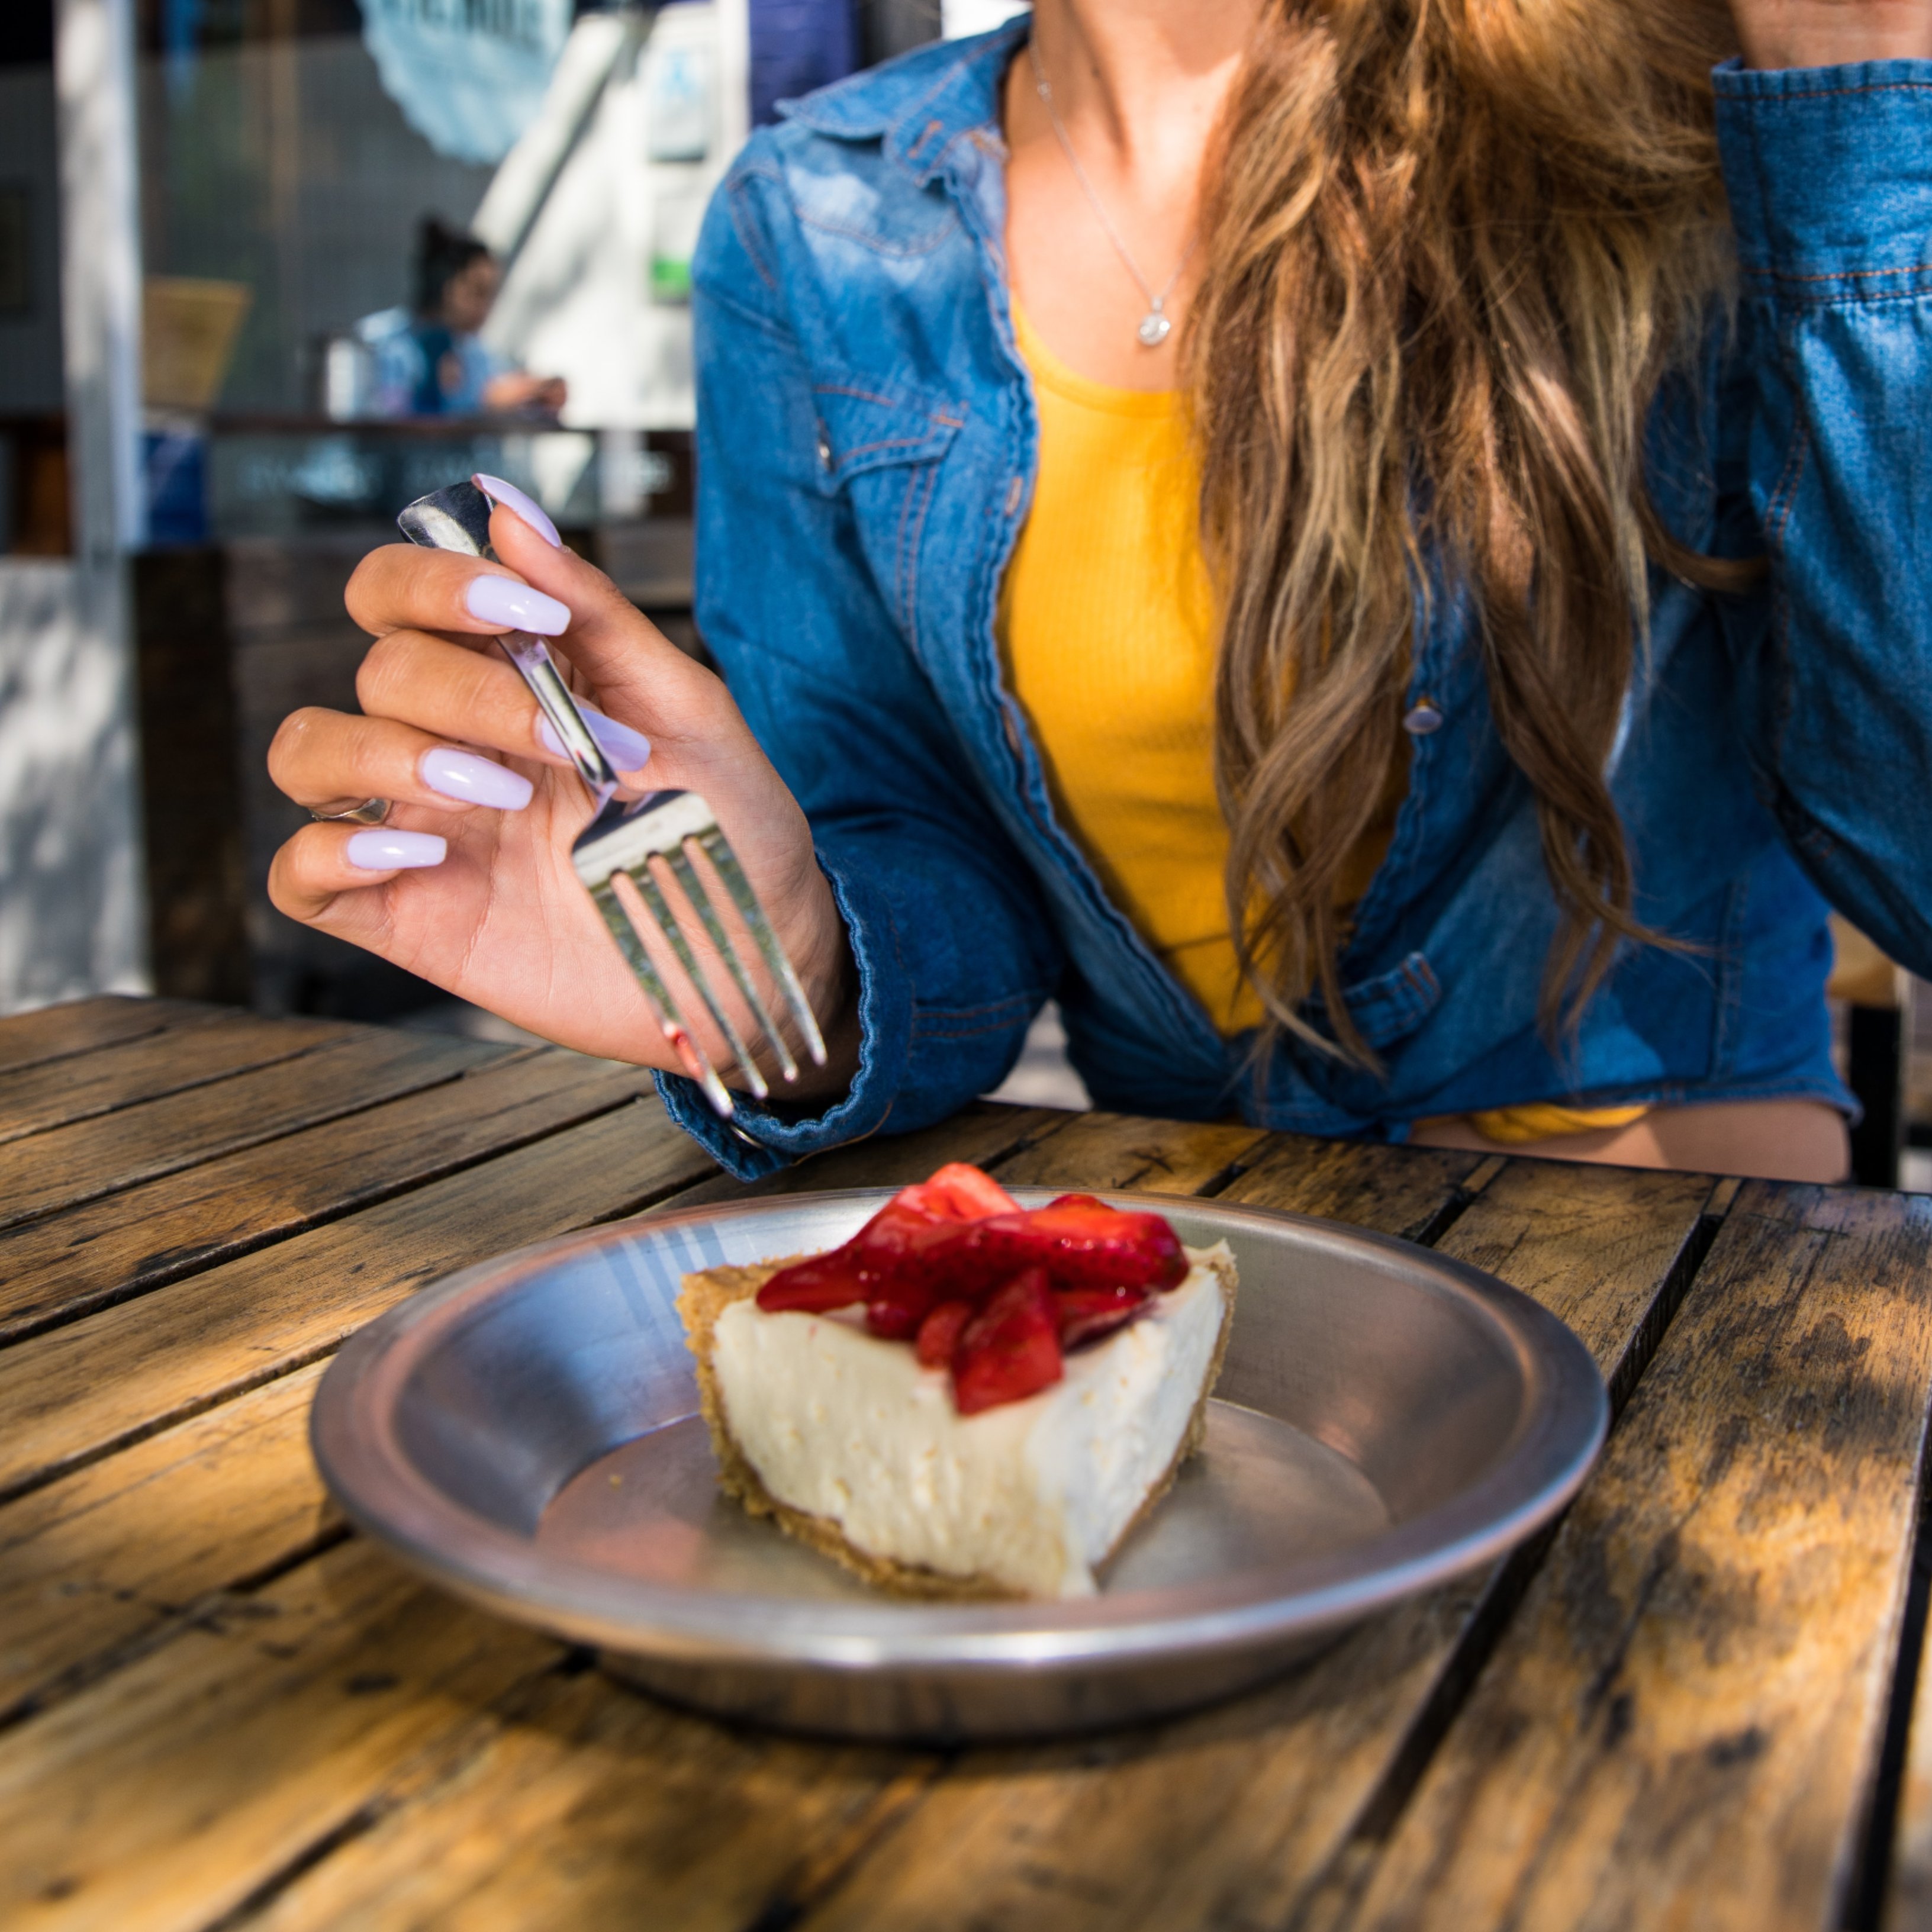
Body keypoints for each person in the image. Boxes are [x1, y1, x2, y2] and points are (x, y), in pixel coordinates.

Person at [266, 0, 1932, 1186]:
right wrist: (794, 968)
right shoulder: (812, 231)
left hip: (1672, 1281)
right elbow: (928, 865)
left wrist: (1859, 86)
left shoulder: (1670, 93)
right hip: (1200, 1273)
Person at [365, 217, 566, 418]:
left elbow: (504, 386)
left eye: (492, 295)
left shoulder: (473, 351)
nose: (487, 307)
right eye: (478, 292)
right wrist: (482, 400)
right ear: (444, 285)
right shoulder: (380, 341)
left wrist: (539, 393)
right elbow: (384, 416)